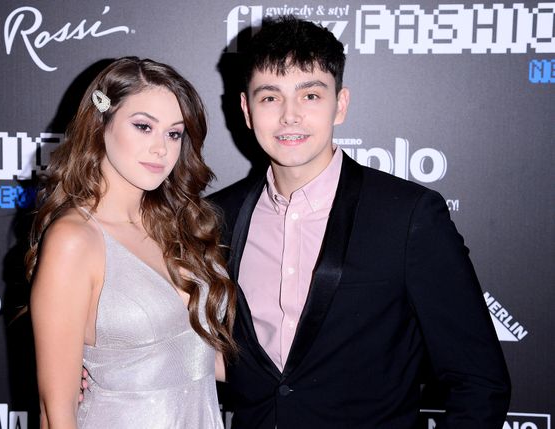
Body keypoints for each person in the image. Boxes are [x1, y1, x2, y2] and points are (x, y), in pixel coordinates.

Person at [209, 16, 511, 428]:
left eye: (310, 95)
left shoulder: (408, 216)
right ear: (247, 110)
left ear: (341, 104)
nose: (290, 116)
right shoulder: (215, 218)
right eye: (270, 98)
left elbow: (479, 382)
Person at [27, 56, 236, 428]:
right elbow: (55, 412)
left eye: (174, 134)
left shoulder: (180, 226)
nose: (161, 148)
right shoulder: (74, 240)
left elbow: (200, 357)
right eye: (143, 127)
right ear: (100, 122)